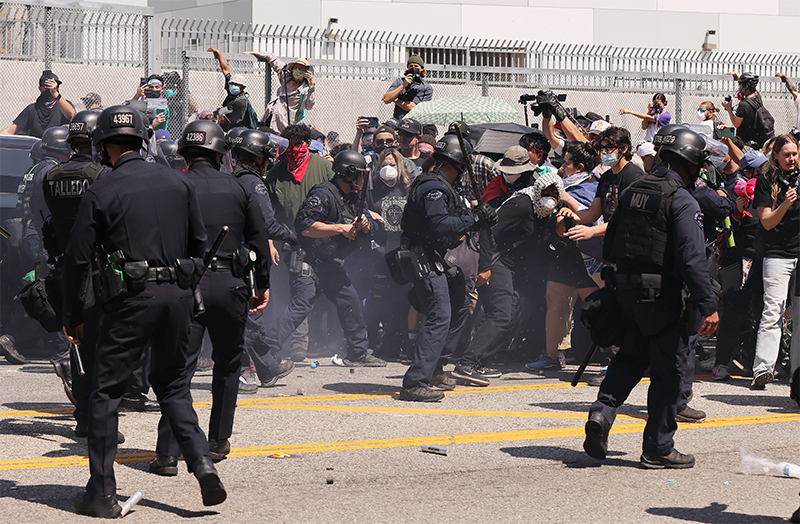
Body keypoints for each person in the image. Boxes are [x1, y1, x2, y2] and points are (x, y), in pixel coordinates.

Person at [61, 105, 225, 517]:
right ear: (142, 140)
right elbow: (199, 245)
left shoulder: (102, 189)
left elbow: (77, 259)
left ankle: (101, 493)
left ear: (101, 147)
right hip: (178, 297)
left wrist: (72, 314)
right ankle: (202, 461)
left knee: (105, 394)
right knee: (171, 385)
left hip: (129, 300)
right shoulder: (178, 182)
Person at [582, 126, 719, 469]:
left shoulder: (632, 189)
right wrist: (708, 305)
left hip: (623, 293)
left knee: (628, 359)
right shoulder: (682, 199)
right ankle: (658, 448)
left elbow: (610, 243)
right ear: (689, 163)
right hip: (662, 299)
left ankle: (602, 413)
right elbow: (691, 257)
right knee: (667, 373)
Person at [150, 120, 271, 474]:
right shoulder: (239, 187)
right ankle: (218, 439)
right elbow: (259, 239)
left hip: (186, 285)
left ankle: (168, 453)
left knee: (178, 370)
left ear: (186, 152)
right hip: (231, 285)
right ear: (220, 153)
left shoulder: (174, 184)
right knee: (229, 363)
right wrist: (262, 283)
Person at [397, 135, 496, 401]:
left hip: (435, 256)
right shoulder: (434, 188)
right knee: (440, 315)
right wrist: (475, 218)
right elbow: (440, 225)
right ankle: (414, 381)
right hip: (423, 257)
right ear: (459, 164)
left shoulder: (443, 185)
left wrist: (475, 215)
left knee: (460, 303)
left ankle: (435, 368)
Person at [451, 145, 536, 385]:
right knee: (501, 314)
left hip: (507, 262)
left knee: (506, 313)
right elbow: (489, 234)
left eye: (514, 171)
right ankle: (468, 363)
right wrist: (485, 267)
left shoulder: (527, 196)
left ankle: (478, 362)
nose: (508, 175)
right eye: (507, 170)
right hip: (494, 259)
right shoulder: (514, 201)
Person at [259, 124, 335, 363]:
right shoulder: (275, 174)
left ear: (307, 145)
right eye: (291, 145)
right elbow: (267, 213)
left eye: (300, 144)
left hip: (322, 241)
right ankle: (291, 345)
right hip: (287, 244)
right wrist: (270, 242)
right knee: (289, 296)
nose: (296, 150)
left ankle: (327, 342)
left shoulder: (323, 167)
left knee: (321, 295)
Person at [228, 129, 297, 389]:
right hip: (247, 260)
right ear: (257, 158)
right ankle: (245, 372)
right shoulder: (253, 183)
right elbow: (266, 223)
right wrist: (289, 236)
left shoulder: (233, 178)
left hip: (235, 256)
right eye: (265, 157)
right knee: (250, 318)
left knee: (250, 317)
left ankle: (267, 367)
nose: (268, 162)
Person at [712, 150, 768, 381]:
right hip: (735, 259)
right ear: (746, 172)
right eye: (758, 169)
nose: (762, 173)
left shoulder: (769, 192)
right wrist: (736, 210)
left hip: (762, 260)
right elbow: (724, 231)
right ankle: (721, 363)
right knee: (733, 309)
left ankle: (751, 360)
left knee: (758, 312)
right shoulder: (728, 193)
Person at [750, 134, 800, 389]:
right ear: (776, 157)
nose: (792, 159)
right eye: (787, 155)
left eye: (795, 154)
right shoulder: (765, 182)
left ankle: (797, 372)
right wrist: (786, 204)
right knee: (773, 311)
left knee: (799, 315)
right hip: (777, 255)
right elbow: (767, 222)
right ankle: (763, 368)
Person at [365, 148, 414, 358]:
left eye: (392, 165)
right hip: (379, 254)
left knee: (403, 300)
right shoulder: (372, 189)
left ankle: (403, 342)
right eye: (384, 165)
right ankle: (378, 342)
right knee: (380, 300)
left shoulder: (408, 188)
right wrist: (369, 213)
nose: (388, 169)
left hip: (403, 254)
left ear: (400, 167)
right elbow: (359, 210)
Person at [246, 51, 315, 133]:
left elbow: (310, 105)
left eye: (300, 69)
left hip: (284, 125)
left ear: (305, 72)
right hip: (269, 117)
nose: (297, 70)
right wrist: (257, 53)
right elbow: (275, 61)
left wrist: (312, 86)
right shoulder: (286, 77)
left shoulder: (305, 89)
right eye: (296, 68)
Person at [1, 71, 76, 137]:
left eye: (53, 86)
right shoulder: (32, 109)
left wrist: (55, 94)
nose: (50, 89)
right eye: (47, 86)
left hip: (58, 150)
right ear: (40, 89)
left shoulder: (63, 106)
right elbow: (11, 130)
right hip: (38, 148)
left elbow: (72, 115)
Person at [208, 47, 259, 131]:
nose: (233, 86)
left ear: (242, 87)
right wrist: (219, 53)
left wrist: (219, 114)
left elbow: (227, 120)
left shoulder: (241, 102)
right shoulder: (230, 89)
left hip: (241, 131)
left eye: (236, 84)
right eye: (232, 84)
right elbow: (225, 70)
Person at [382, 55, 433, 120]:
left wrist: (395, 99)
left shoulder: (426, 87)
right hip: (399, 122)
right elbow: (386, 99)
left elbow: (412, 107)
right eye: (411, 66)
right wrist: (403, 85)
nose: (413, 68)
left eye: (416, 66)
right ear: (408, 68)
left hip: (415, 124)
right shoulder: (399, 82)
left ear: (421, 69)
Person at [721, 72, 763, 146]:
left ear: (746, 86)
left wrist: (728, 109)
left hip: (745, 142)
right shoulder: (757, 97)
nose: (740, 88)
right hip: (756, 140)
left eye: (741, 86)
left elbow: (736, 123)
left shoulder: (743, 105)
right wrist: (738, 75)